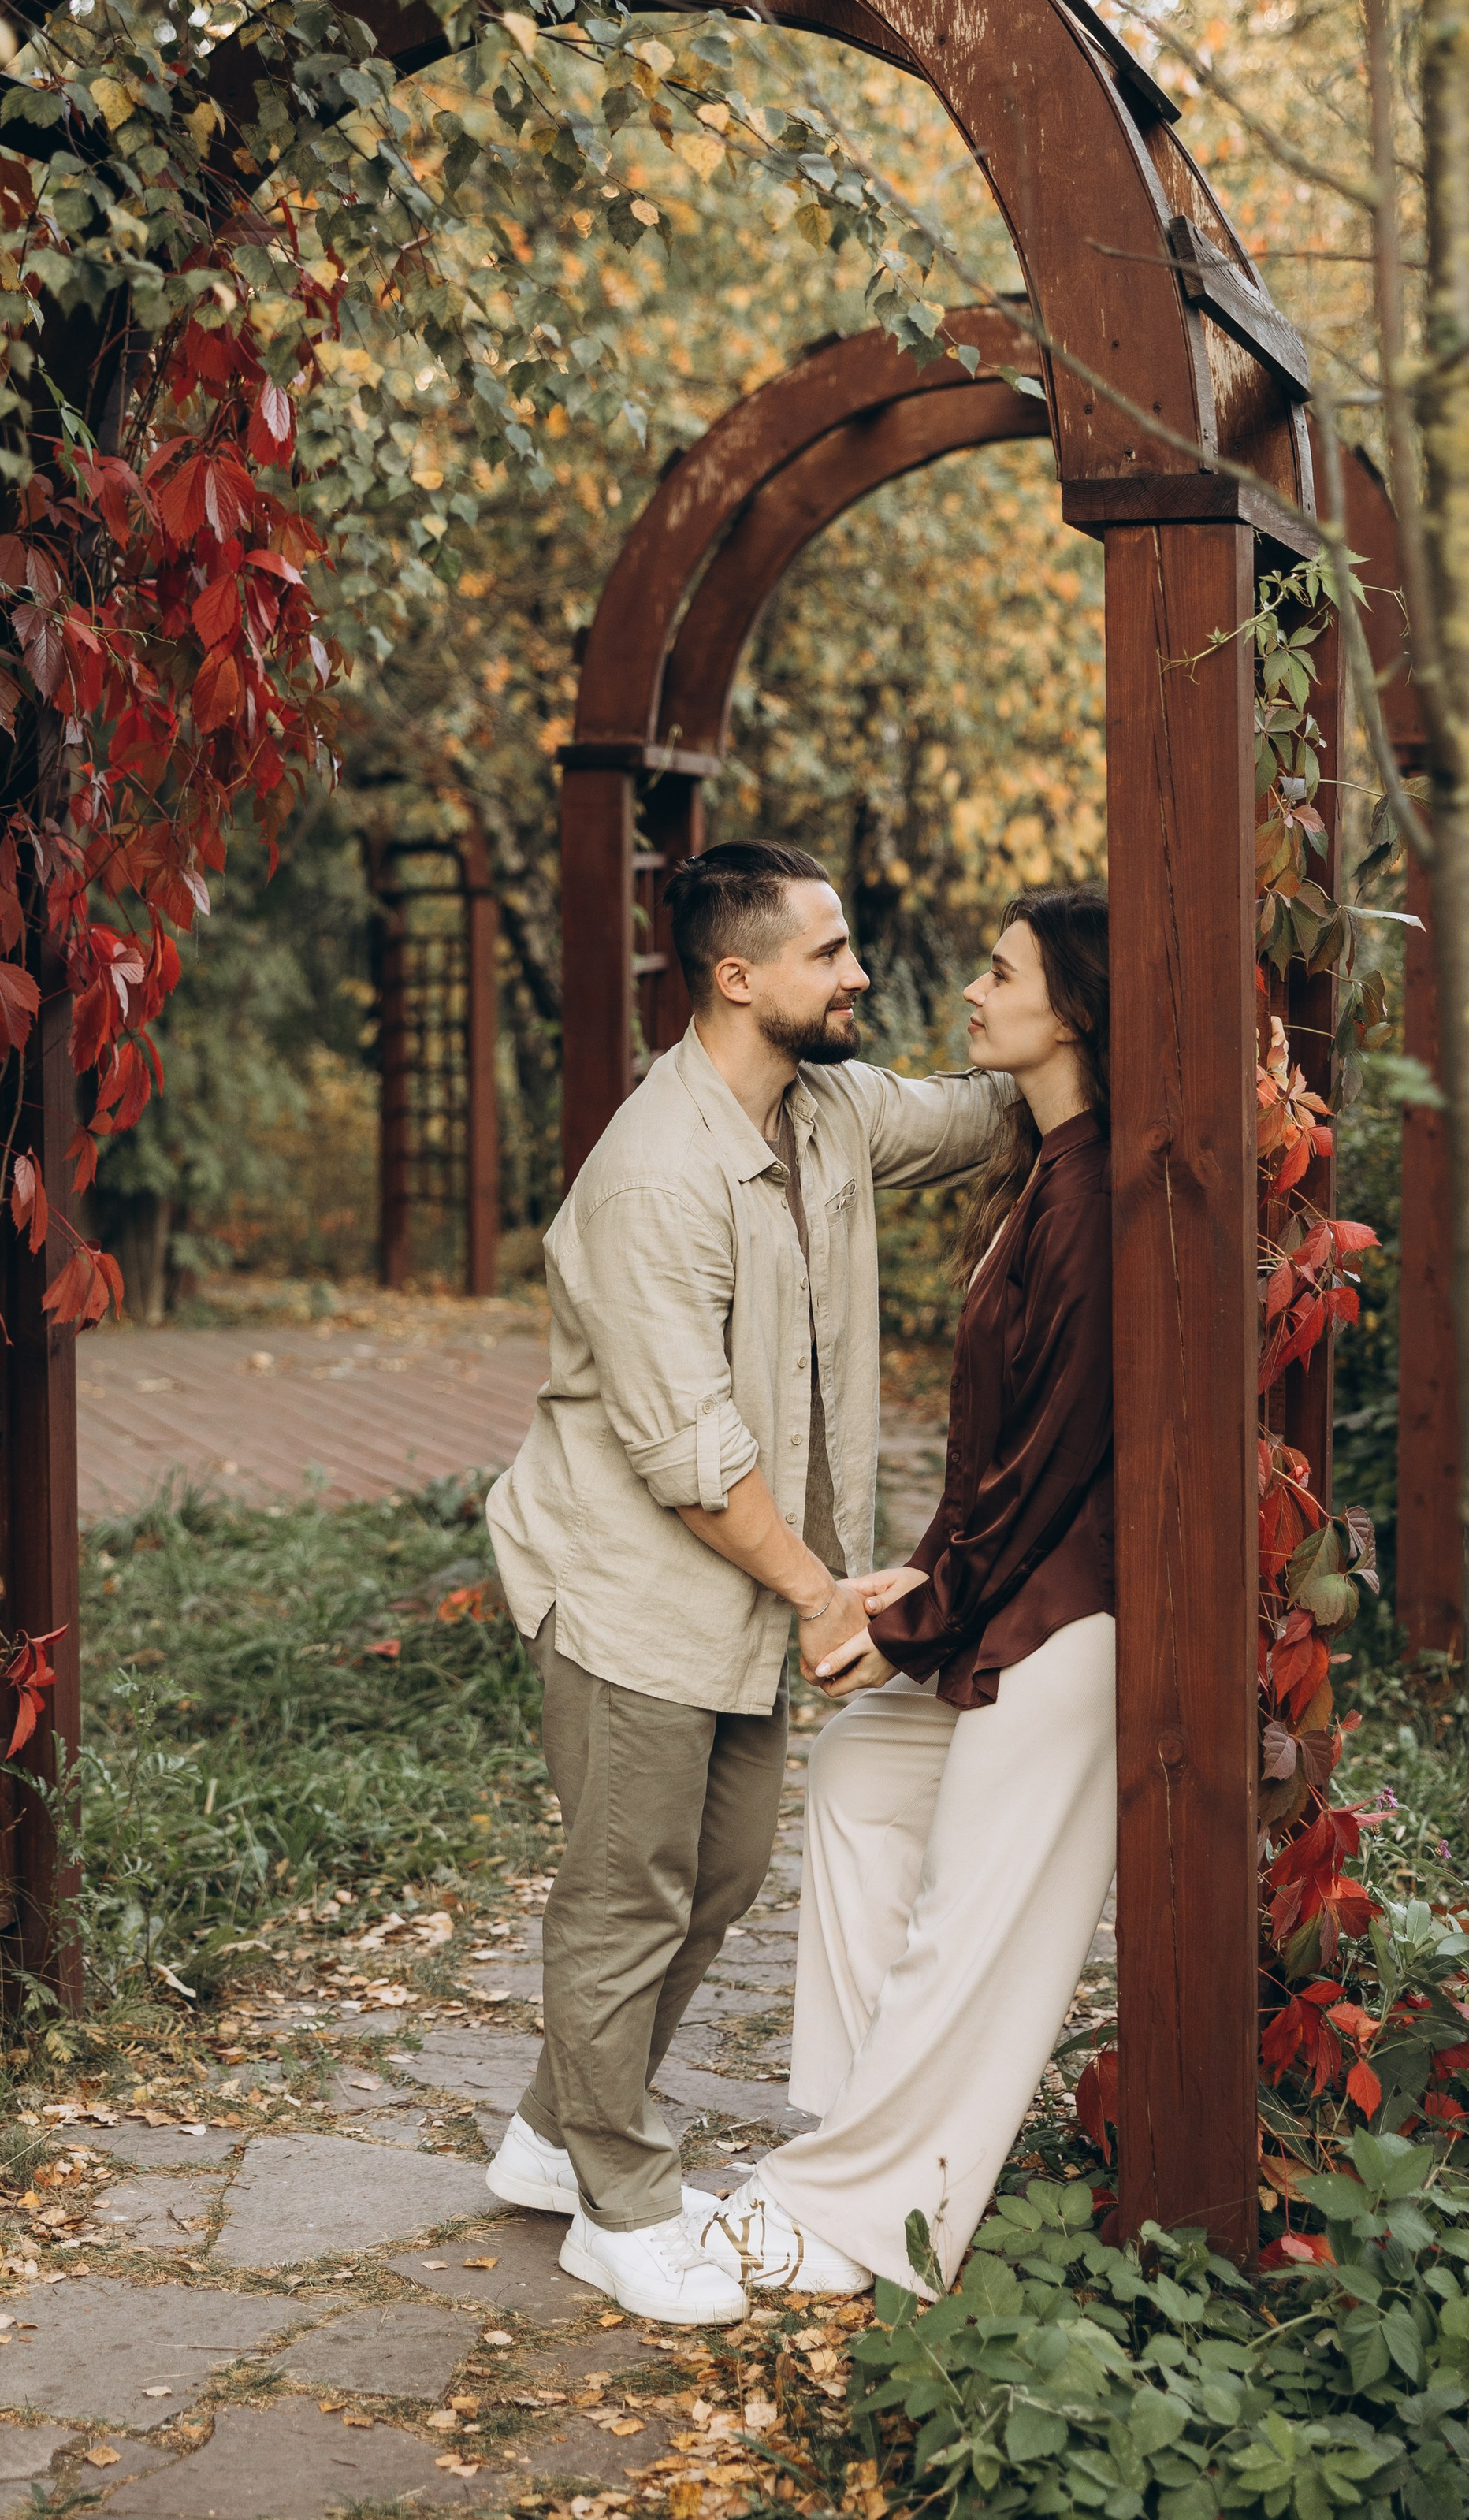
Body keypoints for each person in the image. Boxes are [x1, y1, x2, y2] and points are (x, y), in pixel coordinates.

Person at [483, 841, 1011, 2323]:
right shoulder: (653, 1175)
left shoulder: (825, 1110)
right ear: (737, 978)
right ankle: (619, 2203)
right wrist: (827, 1596)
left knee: (711, 1879)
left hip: (743, 1597)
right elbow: (693, 1458)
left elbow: (976, 1119)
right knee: (626, 1896)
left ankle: (546, 2134)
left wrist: (1090, 1027)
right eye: (830, 952)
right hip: (638, 1589)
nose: (859, 975)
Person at [710, 886, 1115, 2301]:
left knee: (971, 1923)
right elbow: (1000, 1448)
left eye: (1000, 973)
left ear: (1073, 1005)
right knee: (864, 1782)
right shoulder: (1046, 1169)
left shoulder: (1100, 1198)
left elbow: (1063, 1459)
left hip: (1077, 1626)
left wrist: (912, 1626)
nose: (969, 989)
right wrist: (928, 1577)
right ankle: (856, 2128)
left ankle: (864, 2215)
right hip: (1016, 1595)